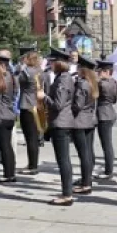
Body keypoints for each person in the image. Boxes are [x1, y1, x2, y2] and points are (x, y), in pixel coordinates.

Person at [43, 49, 76, 206]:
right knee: (63, 159)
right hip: (61, 122)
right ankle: (66, 191)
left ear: (58, 63)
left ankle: (67, 194)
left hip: (61, 123)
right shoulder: (63, 78)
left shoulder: (63, 80)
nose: (50, 64)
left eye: (52, 62)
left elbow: (58, 104)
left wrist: (44, 98)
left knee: (63, 159)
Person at [71, 55, 98, 195]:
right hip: (89, 121)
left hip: (79, 122)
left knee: (83, 154)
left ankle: (86, 184)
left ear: (82, 69)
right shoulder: (92, 82)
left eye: (79, 67)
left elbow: (77, 105)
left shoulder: (82, 83)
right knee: (87, 152)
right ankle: (87, 180)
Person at [0, 50, 17, 185]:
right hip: (9, 113)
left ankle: (9, 174)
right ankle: (10, 172)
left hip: (2, 114)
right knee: (6, 145)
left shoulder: (3, 77)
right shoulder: (12, 76)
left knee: (4, 145)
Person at [16, 44, 44, 174]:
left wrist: (20, 68)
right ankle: (33, 163)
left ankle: (32, 166)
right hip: (37, 106)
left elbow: (16, 82)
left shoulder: (26, 72)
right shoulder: (39, 71)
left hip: (27, 105)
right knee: (34, 136)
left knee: (30, 138)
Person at [94, 59, 117, 181]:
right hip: (110, 112)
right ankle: (108, 169)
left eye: (101, 71)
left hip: (102, 114)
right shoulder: (114, 82)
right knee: (107, 144)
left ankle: (109, 171)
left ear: (106, 71)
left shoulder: (101, 84)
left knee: (106, 144)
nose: (99, 73)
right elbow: (114, 100)